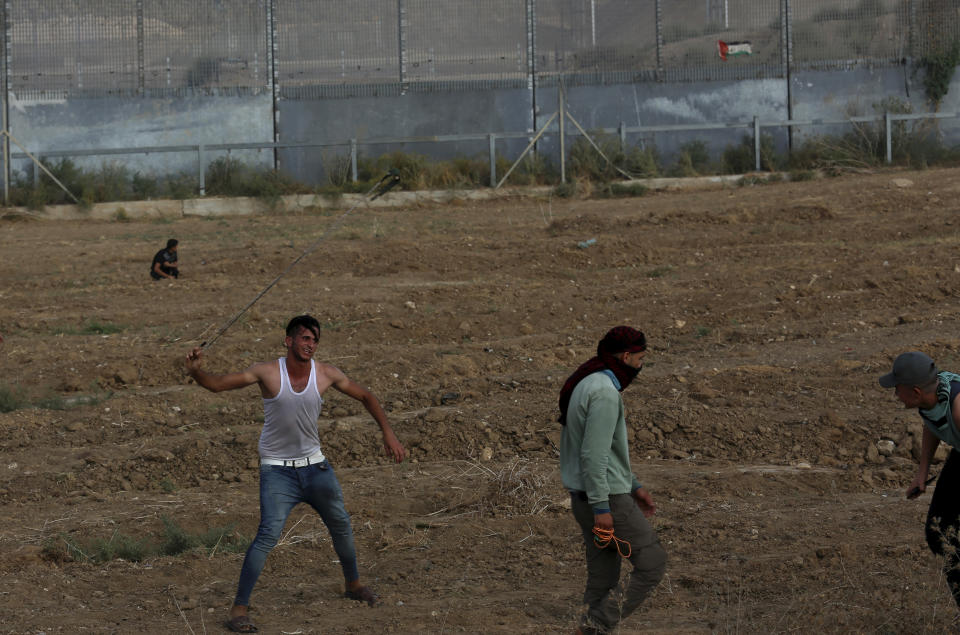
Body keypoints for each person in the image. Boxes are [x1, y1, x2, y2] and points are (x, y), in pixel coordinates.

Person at [185, 314, 406, 634]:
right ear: (289, 341)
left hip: (315, 468)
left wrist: (389, 433)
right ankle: (238, 609)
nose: (310, 344)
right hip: (277, 471)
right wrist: (195, 372)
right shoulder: (268, 372)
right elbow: (217, 385)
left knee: (341, 524)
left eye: (315, 340)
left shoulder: (326, 374)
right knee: (267, 535)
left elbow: (366, 396)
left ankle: (354, 584)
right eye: (305, 338)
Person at [558, 326, 667, 635]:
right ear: (627, 356)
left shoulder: (586, 381)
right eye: (641, 358)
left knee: (603, 576)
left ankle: (590, 626)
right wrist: (603, 507)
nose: (642, 366)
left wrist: (634, 484)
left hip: (583, 496)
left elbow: (598, 450)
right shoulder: (605, 393)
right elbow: (594, 456)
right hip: (606, 501)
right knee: (652, 563)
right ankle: (593, 628)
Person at [880, 350, 960, 609]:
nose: (895, 394)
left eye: (897, 388)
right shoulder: (930, 400)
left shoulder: (959, 409)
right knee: (938, 532)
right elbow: (932, 424)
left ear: (915, 391)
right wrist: (922, 473)